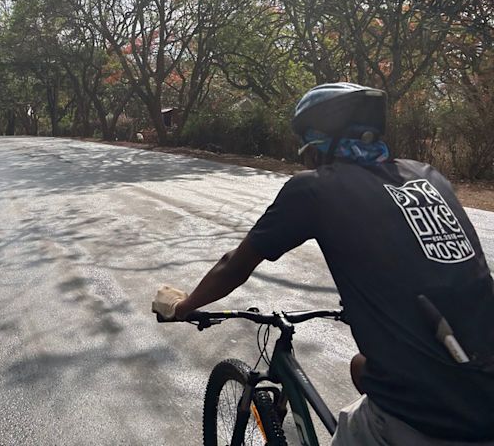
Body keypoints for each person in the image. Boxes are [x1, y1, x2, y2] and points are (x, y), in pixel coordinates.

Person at [152, 83, 494, 444]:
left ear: (318, 148)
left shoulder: (314, 189)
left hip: (430, 414)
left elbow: (235, 265)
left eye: (306, 151)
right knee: (361, 367)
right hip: (480, 374)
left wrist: (184, 306)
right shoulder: (429, 177)